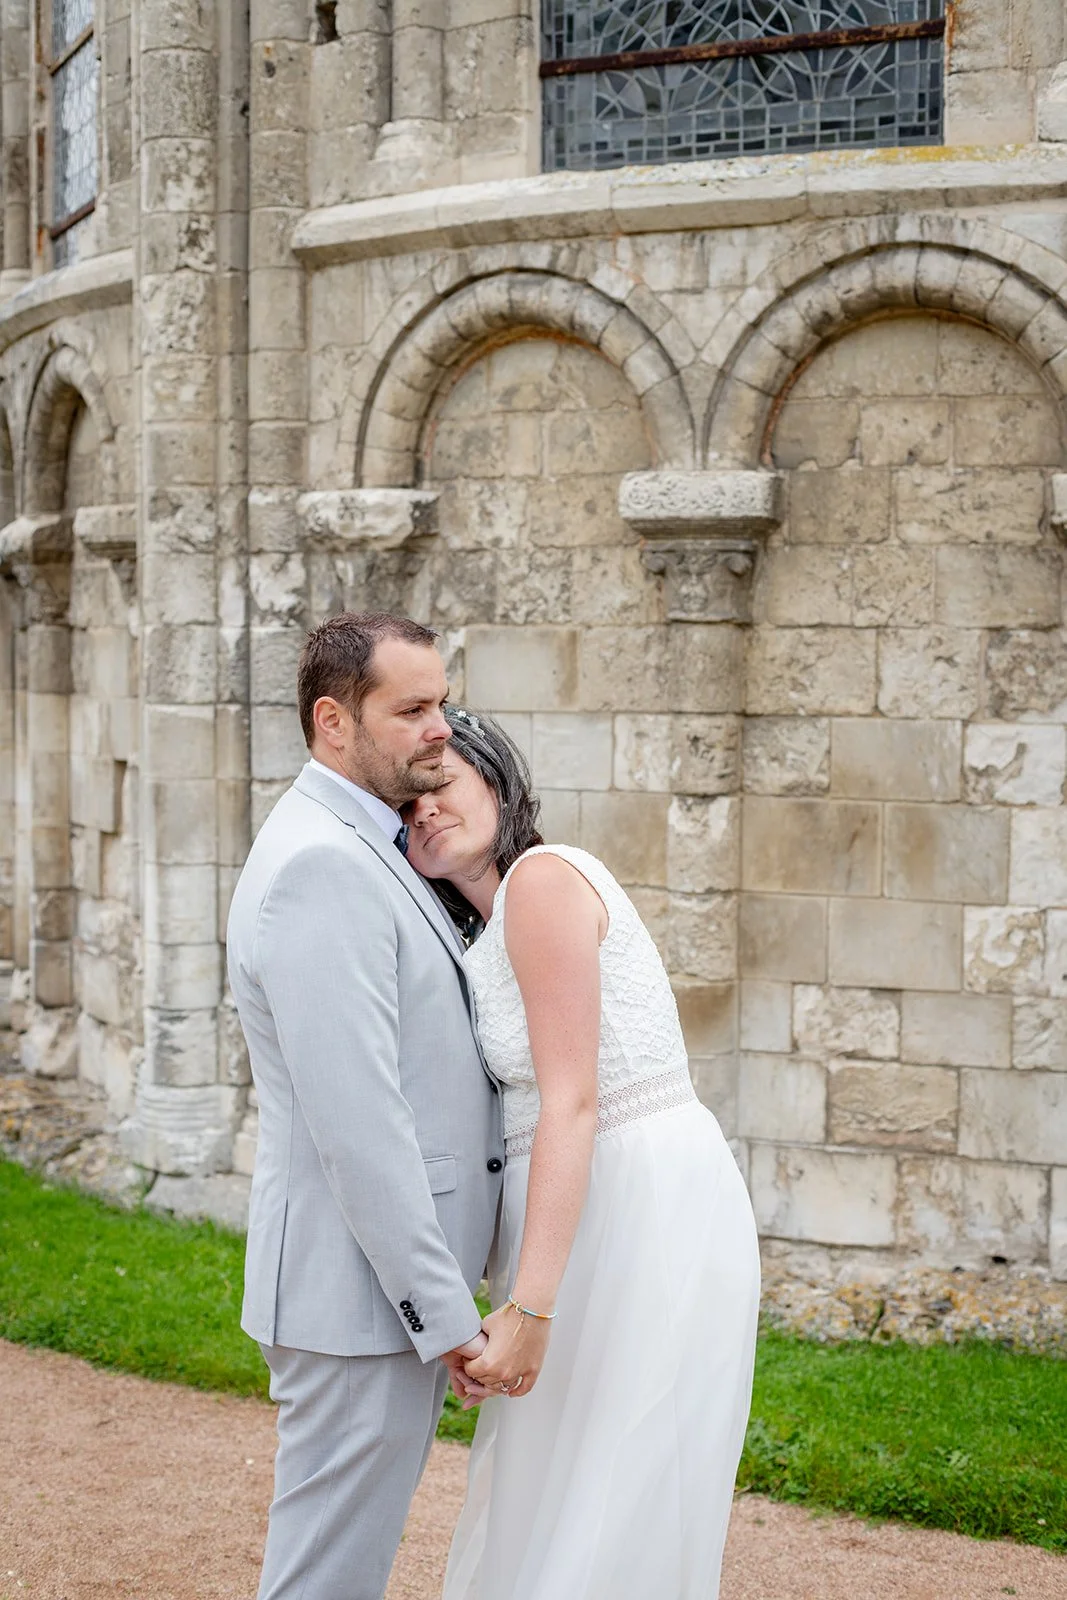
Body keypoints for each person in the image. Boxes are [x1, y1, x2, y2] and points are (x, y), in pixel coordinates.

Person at [405, 706, 761, 1600]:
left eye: (442, 783)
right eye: (406, 806)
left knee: (616, 1483)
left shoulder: (542, 880)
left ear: (495, 778)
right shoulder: (485, 928)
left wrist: (529, 1306)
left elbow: (571, 1100)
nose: (426, 810)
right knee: (558, 1481)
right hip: (582, 1207)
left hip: (636, 1198)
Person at [226, 613, 504, 1600]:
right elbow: (360, 1129)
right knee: (324, 1581)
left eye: (443, 703)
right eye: (412, 708)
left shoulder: (367, 843)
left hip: (372, 1297)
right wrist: (445, 1316)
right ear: (333, 721)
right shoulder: (323, 865)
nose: (440, 728)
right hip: (357, 1301)